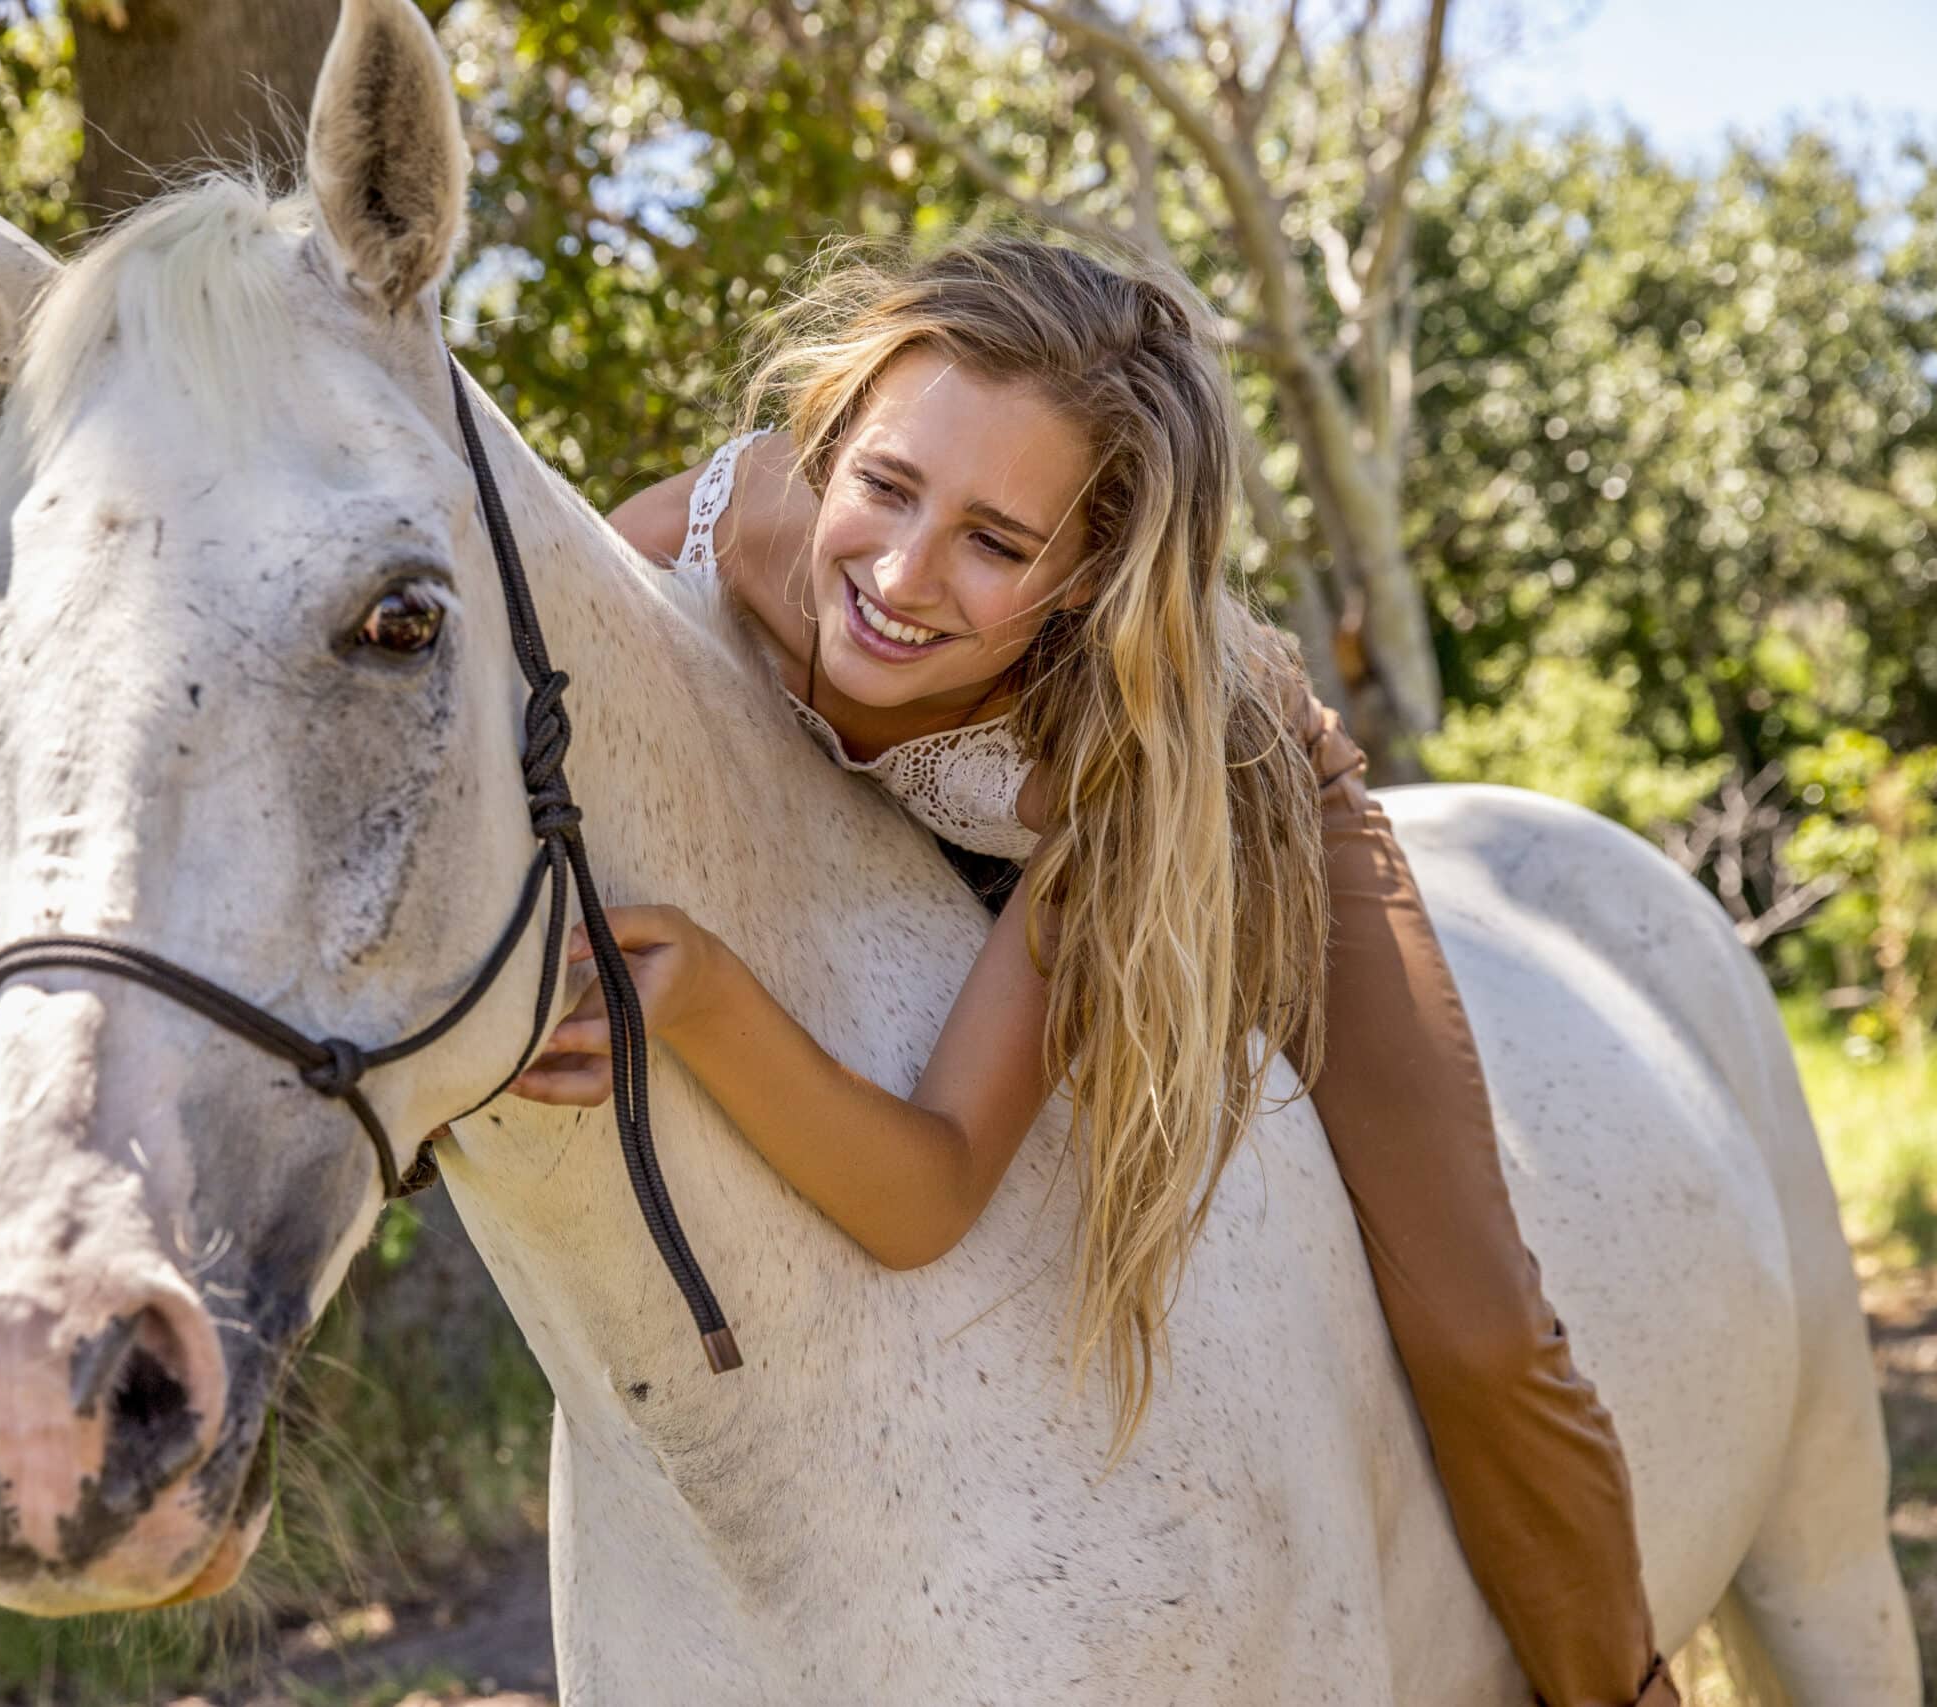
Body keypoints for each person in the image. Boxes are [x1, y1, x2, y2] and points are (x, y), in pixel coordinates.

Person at [507, 229, 1677, 1707]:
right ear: (828, 436)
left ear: (1084, 576)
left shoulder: (1132, 760)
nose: (903, 573)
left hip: (1247, 814)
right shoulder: (717, 536)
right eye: (884, 484)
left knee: (1480, 1325)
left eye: (998, 543)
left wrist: (704, 995)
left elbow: (930, 1190)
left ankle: (1622, 1689)